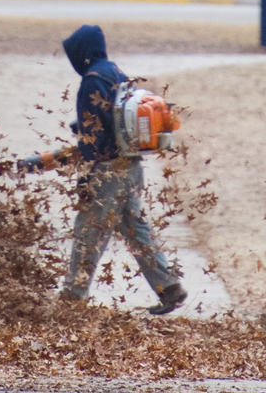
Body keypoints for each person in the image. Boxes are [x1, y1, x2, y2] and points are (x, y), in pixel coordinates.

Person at [54, 24, 186, 314]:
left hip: (108, 171)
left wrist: (87, 177)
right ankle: (170, 288)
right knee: (135, 229)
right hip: (131, 165)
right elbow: (111, 117)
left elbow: (93, 139)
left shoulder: (91, 81)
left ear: (82, 53)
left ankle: (71, 301)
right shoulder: (115, 71)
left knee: (89, 233)